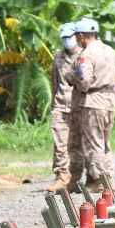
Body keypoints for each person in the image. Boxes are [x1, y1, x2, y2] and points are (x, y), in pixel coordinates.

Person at [72, 18, 115, 193]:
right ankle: (109, 179)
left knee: (94, 143)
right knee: (105, 143)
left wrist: (77, 85)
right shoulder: (110, 51)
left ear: (80, 35)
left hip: (93, 102)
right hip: (109, 101)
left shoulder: (86, 54)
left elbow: (84, 82)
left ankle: (98, 181)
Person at [46, 23, 80, 192]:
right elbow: (54, 81)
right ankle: (61, 176)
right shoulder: (58, 56)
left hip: (78, 107)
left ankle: (76, 179)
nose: (67, 41)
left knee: (76, 145)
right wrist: (53, 104)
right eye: (64, 38)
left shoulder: (84, 55)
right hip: (60, 105)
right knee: (60, 144)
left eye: (70, 37)